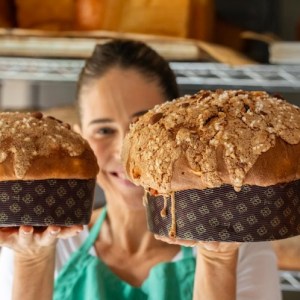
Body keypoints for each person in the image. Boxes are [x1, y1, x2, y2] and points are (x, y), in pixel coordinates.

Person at [0, 39, 281, 300]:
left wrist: (217, 260)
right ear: (80, 141)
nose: (125, 151)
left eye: (142, 127)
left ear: (181, 136)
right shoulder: (40, 243)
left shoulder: (240, 245)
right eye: (104, 129)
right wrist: (32, 260)